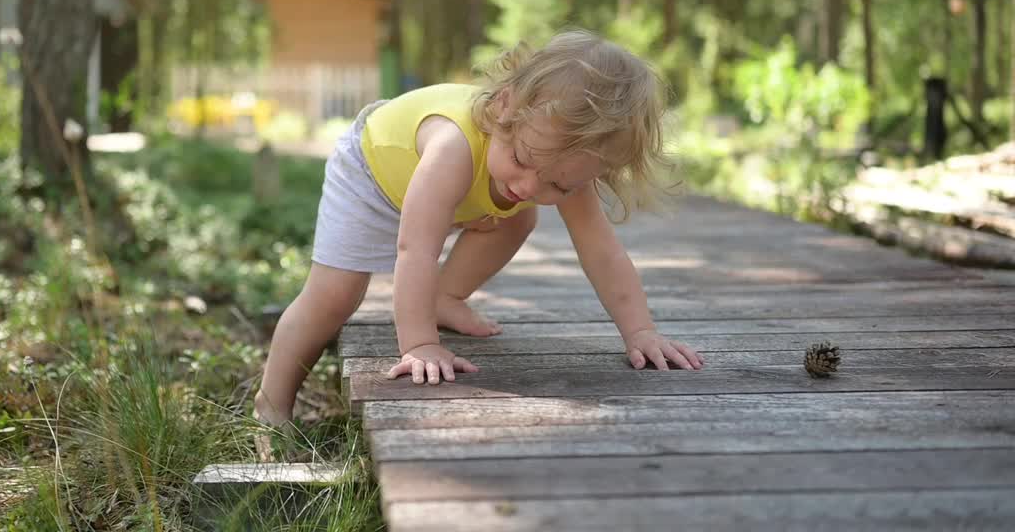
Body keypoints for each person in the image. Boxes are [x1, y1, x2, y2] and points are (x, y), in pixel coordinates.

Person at [255, 30, 704, 426]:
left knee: (517, 217)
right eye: (522, 160)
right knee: (334, 296)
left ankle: (444, 298)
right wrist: (418, 345)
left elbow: (601, 252)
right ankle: (271, 404)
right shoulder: (453, 147)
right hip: (374, 173)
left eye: (558, 184)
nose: (529, 184)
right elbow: (416, 249)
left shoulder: (556, 166)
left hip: (447, 190)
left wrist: (640, 332)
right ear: (504, 107)